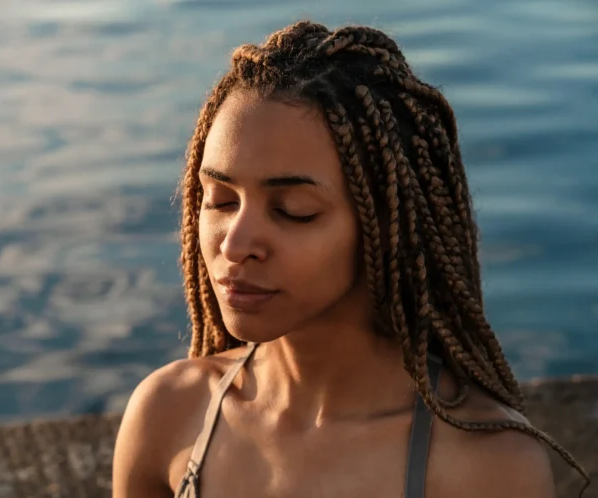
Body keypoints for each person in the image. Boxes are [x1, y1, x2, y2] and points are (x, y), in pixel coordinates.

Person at [112, 20, 590, 498]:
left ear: (384, 226)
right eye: (220, 200)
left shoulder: (483, 465)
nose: (235, 246)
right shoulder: (170, 416)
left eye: (292, 211)